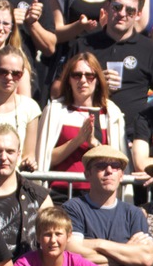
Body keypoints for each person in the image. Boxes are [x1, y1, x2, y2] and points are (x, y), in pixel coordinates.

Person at [62, 0, 153, 126]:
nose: (122, 14)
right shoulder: (84, 45)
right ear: (107, 7)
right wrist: (95, 83)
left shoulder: (150, 49)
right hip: (87, 130)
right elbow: (58, 88)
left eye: (130, 10)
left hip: (133, 135)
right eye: (117, 7)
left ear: (138, 14)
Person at [35, 52, 127, 200]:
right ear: (68, 80)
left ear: (97, 79)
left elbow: (117, 161)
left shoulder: (111, 112)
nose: (83, 80)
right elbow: (45, 158)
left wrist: (94, 145)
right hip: (62, 193)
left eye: (89, 75)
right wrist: (77, 140)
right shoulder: (56, 110)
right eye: (76, 75)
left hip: (100, 195)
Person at [62, 144, 153, 266]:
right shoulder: (73, 208)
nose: (109, 171)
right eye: (101, 166)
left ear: (122, 175)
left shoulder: (134, 213)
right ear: (87, 174)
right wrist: (126, 252)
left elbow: (146, 257)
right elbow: (72, 253)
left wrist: (97, 244)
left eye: (115, 166)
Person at [0, 124, 51, 260]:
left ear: (19, 154)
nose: (3, 157)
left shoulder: (39, 197)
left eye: (10, 151)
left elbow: (53, 244)